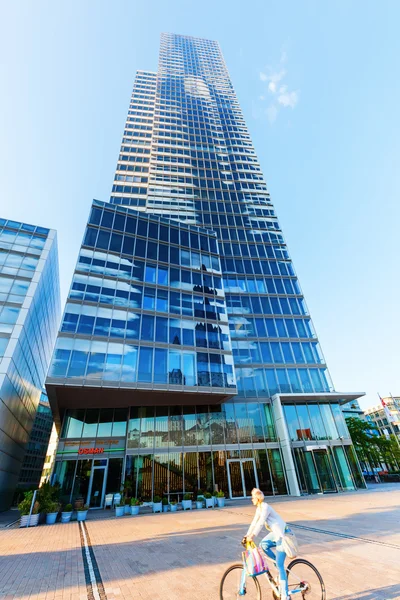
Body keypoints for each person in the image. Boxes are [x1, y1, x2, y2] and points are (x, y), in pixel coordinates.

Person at [244, 488, 290, 600]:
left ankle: (285, 595)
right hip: (276, 534)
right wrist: (246, 535)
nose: (251, 500)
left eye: (253, 497)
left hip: (283, 535)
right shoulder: (259, 509)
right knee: (263, 544)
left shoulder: (265, 507)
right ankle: (277, 565)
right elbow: (254, 522)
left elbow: (260, 523)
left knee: (280, 565)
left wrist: (253, 536)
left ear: (258, 497)